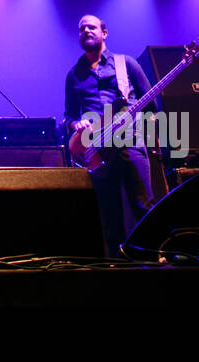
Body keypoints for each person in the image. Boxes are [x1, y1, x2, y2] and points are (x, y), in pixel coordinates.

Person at [63, 14, 156, 257]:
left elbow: (150, 106)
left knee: (143, 206)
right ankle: (115, 267)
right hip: (98, 150)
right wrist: (76, 124)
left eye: (91, 27)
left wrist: (136, 123)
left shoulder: (126, 64)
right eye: (82, 28)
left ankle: (154, 260)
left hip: (130, 142)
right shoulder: (74, 75)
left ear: (104, 33)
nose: (86, 31)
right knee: (109, 213)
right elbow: (69, 116)